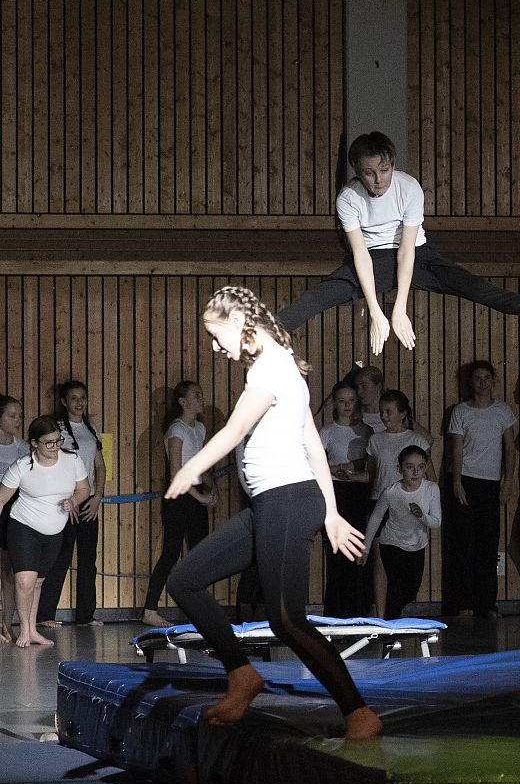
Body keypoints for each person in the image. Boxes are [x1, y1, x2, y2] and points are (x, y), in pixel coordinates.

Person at [162, 285, 381, 739]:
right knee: (185, 581)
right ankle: (242, 675)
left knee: (287, 619)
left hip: (288, 500)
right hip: (274, 503)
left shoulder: (270, 368)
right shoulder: (282, 367)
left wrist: (191, 468)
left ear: (239, 322)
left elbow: (235, 428)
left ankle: (358, 712)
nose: (216, 347)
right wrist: (331, 512)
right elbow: (312, 446)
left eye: (216, 335)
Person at [276, 132, 520, 353]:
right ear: (358, 172)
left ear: (393, 165)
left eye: (384, 170)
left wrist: (399, 310)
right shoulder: (348, 198)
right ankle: (259, 334)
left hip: (416, 256)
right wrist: (375, 311)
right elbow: (360, 255)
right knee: (318, 296)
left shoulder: (409, 188)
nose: (378, 180)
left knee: (474, 286)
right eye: (369, 173)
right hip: (370, 259)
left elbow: (406, 251)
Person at [0, 416, 89, 647]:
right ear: (34, 443)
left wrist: (74, 501)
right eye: (49, 442)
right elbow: (1, 499)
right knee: (25, 580)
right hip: (23, 526)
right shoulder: (22, 466)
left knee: (38, 582)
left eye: (58, 441)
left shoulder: (72, 460)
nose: (55, 446)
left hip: (54, 532)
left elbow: (83, 488)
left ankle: (32, 630)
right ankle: (25, 630)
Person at [445, 361, 520, 618]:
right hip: (466, 478)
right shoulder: (461, 411)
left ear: (493, 380)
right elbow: (456, 448)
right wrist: (456, 482)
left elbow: (510, 449)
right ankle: (463, 602)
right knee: (463, 543)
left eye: (487, 377)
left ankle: (487, 603)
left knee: (488, 545)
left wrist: (508, 481)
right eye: (478, 378)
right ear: (471, 382)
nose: (482, 382)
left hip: (490, 483)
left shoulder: (502, 411)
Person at [141, 381, 216, 627]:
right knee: (171, 553)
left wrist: (211, 488)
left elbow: (199, 464)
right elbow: (176, 472)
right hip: (179, 496)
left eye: (201, 393)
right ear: (183, 402)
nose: (201, 398)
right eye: (196, 394)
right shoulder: (177, 429)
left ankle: (198, 608)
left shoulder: (200, 428)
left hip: (195, 493)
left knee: (200, 553)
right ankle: (150, 610)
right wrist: (200, 496)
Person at [39, 379, 106, 628]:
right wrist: (69, 499)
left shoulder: (91, 429)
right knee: (60, 557)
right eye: (74, 398)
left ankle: (86, 615)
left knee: (88, 559)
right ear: (64, 402)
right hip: (64, 502)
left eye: (83, 398)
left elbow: (100, 466)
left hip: (89, 502)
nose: (79, 403)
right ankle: (45, 614)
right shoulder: (56, 428)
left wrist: (97, 497)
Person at [363, 446, 442, 620]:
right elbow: (376, 518)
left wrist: (422, 516)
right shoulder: (391, 492)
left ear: (426, 467)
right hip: (391, 544)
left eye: (420, 467)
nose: (415, 472)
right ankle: (390, 628)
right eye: (409, 467)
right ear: (400, 469)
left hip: (417, 545)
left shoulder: (431, 489)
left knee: (410, 591)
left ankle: (391, 622)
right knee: (395, 591)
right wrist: (366, 548)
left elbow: (436, 522)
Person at [319, 380, 374, 617]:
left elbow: (369, 462)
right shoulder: (326, 432)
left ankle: (358, 610)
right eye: (342, 401)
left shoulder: (366, 431)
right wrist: (336, 471)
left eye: (351, 401)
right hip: (335, 492)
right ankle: (335, 613)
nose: (347, 405)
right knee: (336, 553)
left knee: (357, 551)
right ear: (334, 403)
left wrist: (347, 469)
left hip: (358, 492)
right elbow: (317, 463)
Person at [365, 390, 433, 502]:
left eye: (388, 412)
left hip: (408, 501)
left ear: (402, 414)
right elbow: (371, 474)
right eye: (381, 412)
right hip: (380, 499)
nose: (383, 416)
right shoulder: (375, 440)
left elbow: (431, 476)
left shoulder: (417, 440)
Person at [0, 396, 26, 640]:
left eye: (19, 415)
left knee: (8, 573)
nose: (17, 420)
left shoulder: (23, 448)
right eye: (12, 416)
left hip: (12, 513)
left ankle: (7, 625)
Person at [354, 365, 386, 432]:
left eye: (364, 386)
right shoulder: (354, 417)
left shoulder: (394, 416)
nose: (359, 392)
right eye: (357, 387)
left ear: (378, 387)